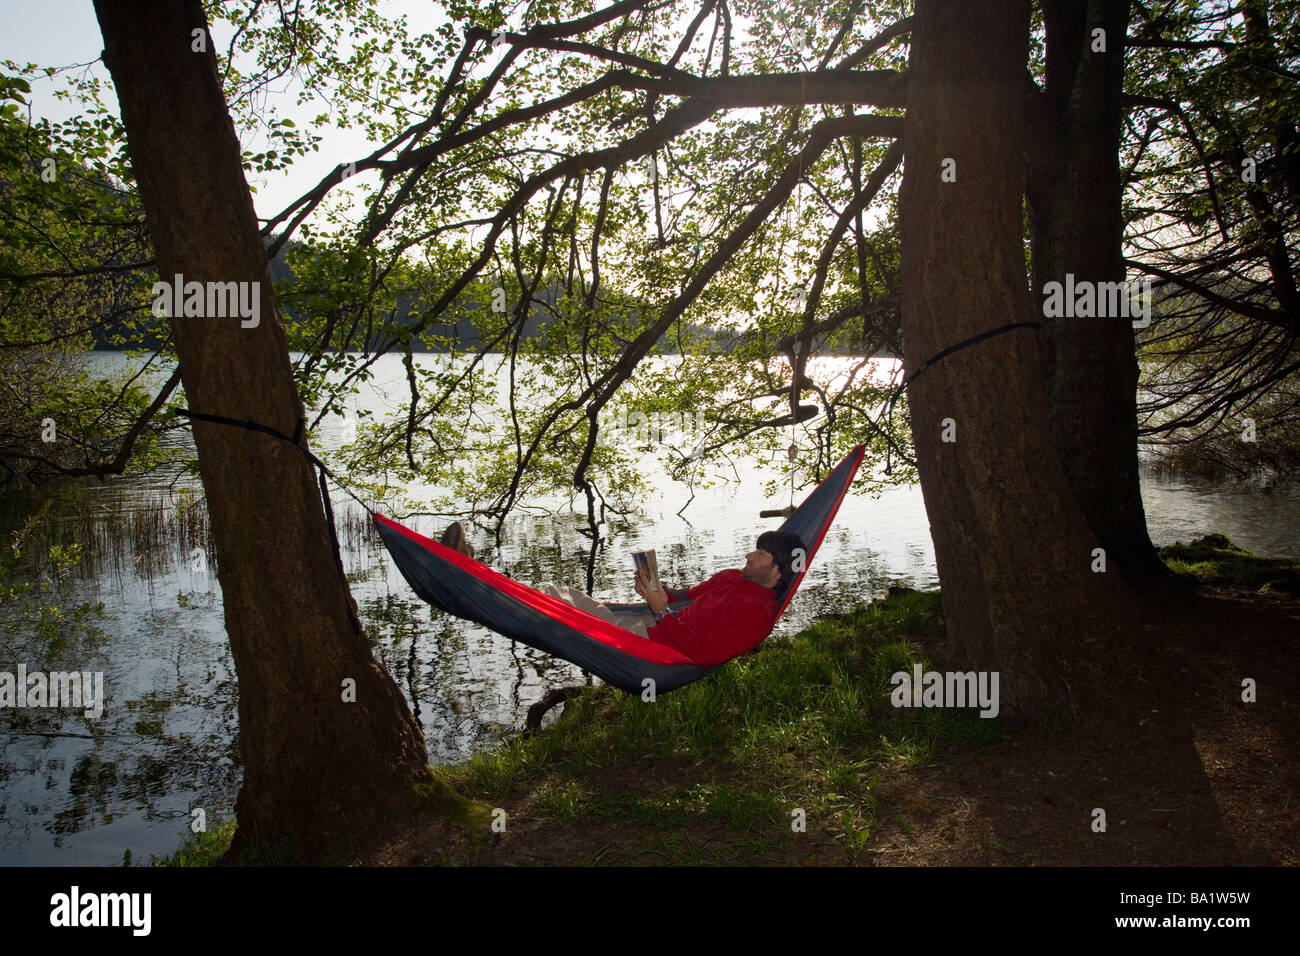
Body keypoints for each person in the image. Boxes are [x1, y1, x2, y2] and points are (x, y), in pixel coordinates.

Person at [440, 522, 806, 667]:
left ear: (777, 570)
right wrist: (656, 590)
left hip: (652, 646)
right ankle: (480, 574)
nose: (748, 554)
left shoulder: (755, 616)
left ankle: (476, 578)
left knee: (558, 609)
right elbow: (688, 597)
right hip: (650, 621)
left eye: (758, 554)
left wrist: (662, 614)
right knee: (560, 591)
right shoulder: (733, 578)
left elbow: (703, 654)